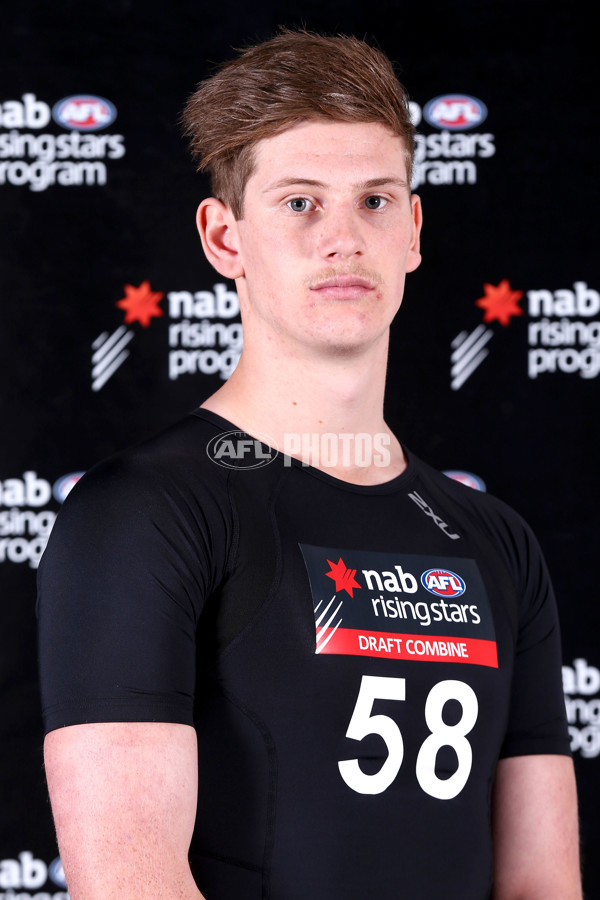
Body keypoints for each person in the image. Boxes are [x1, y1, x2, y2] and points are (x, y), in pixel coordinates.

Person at [37, 28, 582, 900]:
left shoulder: (497, 540)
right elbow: (131, 883)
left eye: (374, 200)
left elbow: (541, 883)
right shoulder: (143, 513)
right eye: (299, 203)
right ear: (225, 239)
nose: (343, 239)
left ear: (412, 230)